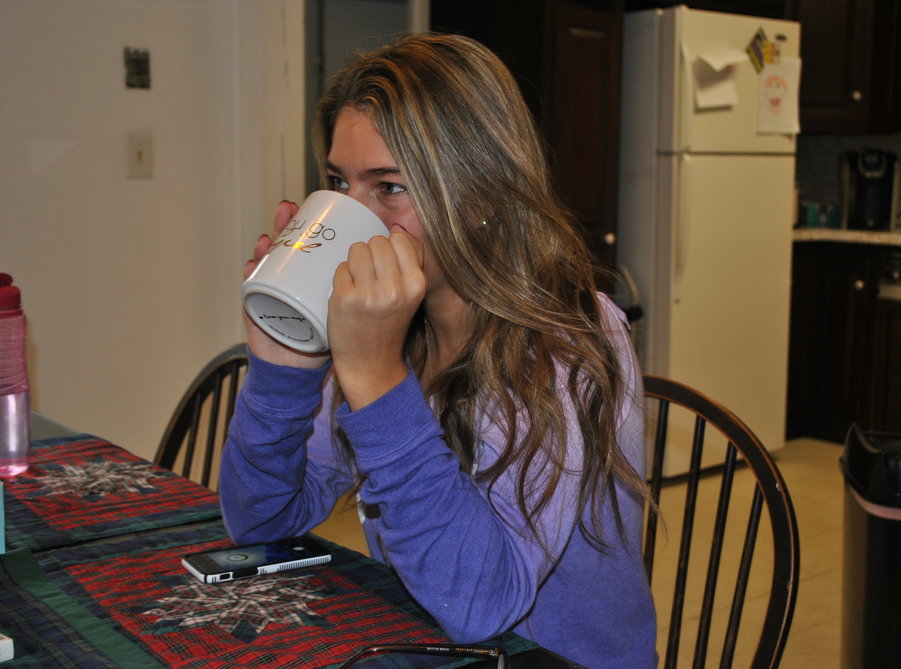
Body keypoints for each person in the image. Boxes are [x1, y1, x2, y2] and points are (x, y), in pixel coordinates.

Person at [219, 33, 657, 669]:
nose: (352, 215)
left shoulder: (566, 339)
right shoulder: (396, 325)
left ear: (481, 195)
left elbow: (483, 604)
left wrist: (376, 378)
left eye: (389, 186)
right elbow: (259, 526)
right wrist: (282, 373)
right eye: (340, 182)